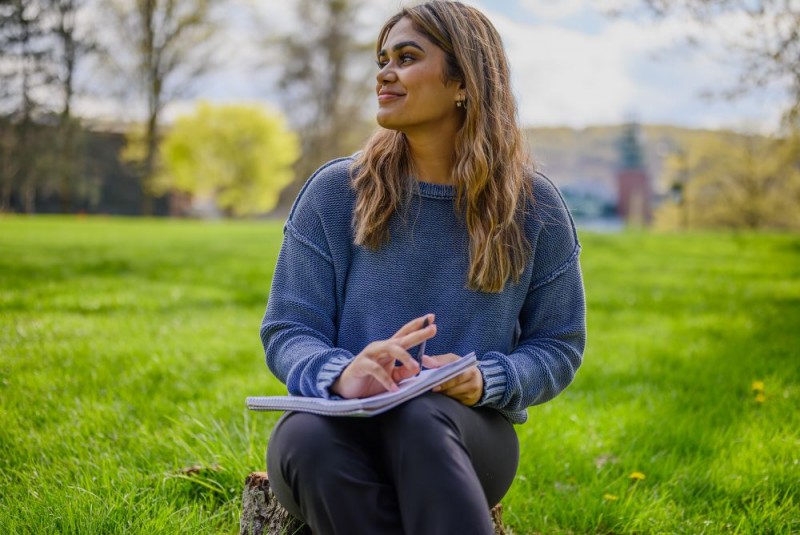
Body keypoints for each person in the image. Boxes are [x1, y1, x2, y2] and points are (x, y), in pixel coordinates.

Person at [260, 1, 586, 533]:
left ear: (463, 81)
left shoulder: (534, 207)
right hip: (344, 427)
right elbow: (287, 330)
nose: (384, 73)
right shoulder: (334, 193)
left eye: (406, 58)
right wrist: (343, 373)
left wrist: (485, 378)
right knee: (306, 438)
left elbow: (559, 344)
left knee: (419, 417)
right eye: (381, 59)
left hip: (463, 432)